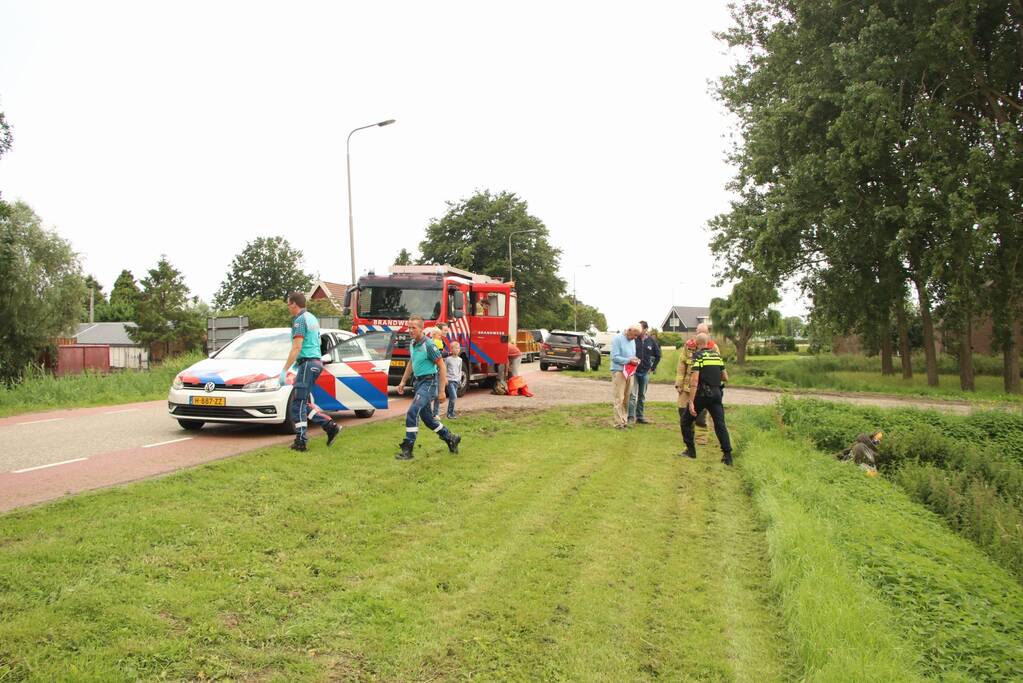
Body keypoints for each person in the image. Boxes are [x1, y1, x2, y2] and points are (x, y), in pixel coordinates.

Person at [395, 316, 462, 460]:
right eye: (409, 327)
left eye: (414, 328)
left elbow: (442, 366)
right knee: (428, 419)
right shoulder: (413, 344)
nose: (410, 330)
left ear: (421, 329)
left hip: (429, 383)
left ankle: (408, 449)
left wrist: (442, 391)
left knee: (412, 412)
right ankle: (451, 438)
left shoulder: (429, 345)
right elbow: (411, 363)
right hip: (418, 383)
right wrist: (402, 382)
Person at [281, 291, 340, 452]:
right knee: (303, 403)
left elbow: (297, 346)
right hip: (315, 362)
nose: (288, 308)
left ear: (294, 304)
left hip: (307, 363)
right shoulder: (312, 318)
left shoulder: (299, 320)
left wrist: (285, 369)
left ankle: (301, 441)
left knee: (297, 404)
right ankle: (329, 426)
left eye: (288, 304)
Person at [680, 333, 734, 465]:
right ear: (708, 342)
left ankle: (691, 451)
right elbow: (725, 377)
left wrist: (692, 401)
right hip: (716, 393)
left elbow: (694, 380)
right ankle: (727, 456)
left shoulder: (698, 356)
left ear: (697, 344)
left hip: (702, 394)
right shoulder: (717, 356)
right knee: (720, 424)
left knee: (686, 421)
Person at [628, 321, 662, 425]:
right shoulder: (634, 339)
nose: (638, 330)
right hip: (634, 372)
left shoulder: (651, 341)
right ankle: (630, 418)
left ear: (646, 329)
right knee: (632, 395)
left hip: (645, 373)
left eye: (641, 328)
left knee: (642, 395)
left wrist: (652, 368)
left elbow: (658, 355)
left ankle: (640, 417)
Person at [610, 324, 641, 429]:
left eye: (637, 336)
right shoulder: (617, 339)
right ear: (629, 330)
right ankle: (618, 423)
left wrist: (635, 360)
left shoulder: (632, 341)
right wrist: (629, 360)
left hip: (629, 372)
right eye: (635, 335)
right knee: (619, 397)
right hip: (619, 371)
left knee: (627, 398)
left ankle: (624, 420)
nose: (635, 338)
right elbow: (614, 357)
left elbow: (631, 355)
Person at [444, 341, 463, 418]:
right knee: (454, 396)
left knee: (453, 398)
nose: (458, 350)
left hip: (456, 381)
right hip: (450, 380)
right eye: (456, 348)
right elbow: (444, 369)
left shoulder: (460, 360)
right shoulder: (448, 359)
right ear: (451, 349)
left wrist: (459, 379)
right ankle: (450, 413)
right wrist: (445, 378)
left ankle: (450, 413)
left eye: (458, 348)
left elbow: (459, 370)